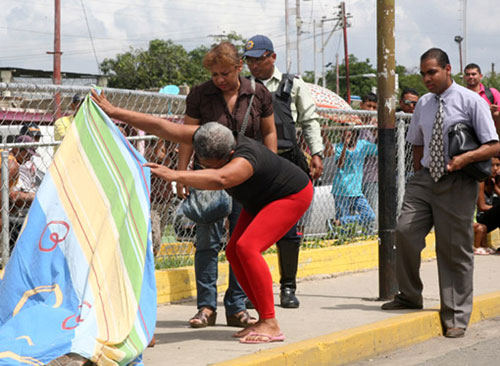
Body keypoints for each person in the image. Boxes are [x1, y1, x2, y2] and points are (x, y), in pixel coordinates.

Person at [90, 91, 314, 343]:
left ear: (227, 157)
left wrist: (176, 175)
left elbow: (220, 179)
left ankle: (271, 323)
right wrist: (115, 112)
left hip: (290, 195)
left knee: (248, 247)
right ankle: (263, 319)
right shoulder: (208, 135)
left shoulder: (242, 161)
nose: (206, 168)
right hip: (259, 196)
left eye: (209, 164)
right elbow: (162, 126)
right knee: (233, 252)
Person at [381, 48, 500, 339]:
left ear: (448, 69)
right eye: (423, 73)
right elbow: (417, 141)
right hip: (425, 180)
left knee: (453, 248)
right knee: (405, 231)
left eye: (431, 72)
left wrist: (465, 159)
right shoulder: (423, 103)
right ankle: (409, 294)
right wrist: (421, 172)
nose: (426, 78)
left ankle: (456, 314)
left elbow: (493, 145)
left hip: (458, 180)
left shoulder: (471, 101)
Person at [176, 42, 277, 328]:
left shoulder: (258, 93)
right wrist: (182, 173)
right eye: (214, 75)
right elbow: (187, 135)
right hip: (208, 177)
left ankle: (236, 306)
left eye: (224, 74)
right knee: (207, 241)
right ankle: (206, 307)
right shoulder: (200, 94)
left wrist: (268, 173)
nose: (219, 80)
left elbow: (269, 132)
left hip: (246, 178)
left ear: (239, 67)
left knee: (241, 243)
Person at [243, 34, 324, 308]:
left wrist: (316, 153)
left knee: (288, 230)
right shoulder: (244, 87)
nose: (253, 66)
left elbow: (310, 121)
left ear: (272, 57)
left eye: (258, 59)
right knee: (250, 227)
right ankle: (249, 290)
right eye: (249, 61)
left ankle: (288, 287)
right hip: (253, 164)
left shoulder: (293, 84)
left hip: (287, 163)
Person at [331, 128, 377, 234]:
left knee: (369, 216)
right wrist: (345, 147)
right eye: (344, 134)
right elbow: (340, 165)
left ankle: (339, 221)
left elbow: (377, 150)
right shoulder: (339, 147)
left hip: (356, 191)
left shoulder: (363, 145)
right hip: (341, 190)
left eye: (348, 133)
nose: (345, 136)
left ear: (355, 133)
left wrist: (376, 134)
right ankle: (342, 229)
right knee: (344, 230)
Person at [9, 135, 40, 251]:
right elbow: (12, 197)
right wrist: (35, 197)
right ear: (17, 149)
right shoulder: (11, 164)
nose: (28, 158)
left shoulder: (16, 162)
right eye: (27, 154)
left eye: (31, 155)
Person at [358, 93, 378, 229]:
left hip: (371, 176)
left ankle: (368, 233)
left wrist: (376, 130)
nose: (370, 110)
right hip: (355, 176)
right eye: (368, 106)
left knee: (369, 211)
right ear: (361, 105)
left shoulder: (376, 126)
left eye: (374, 107)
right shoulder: (353, 124)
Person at [473, 155, 500, 255]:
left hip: (490, 218)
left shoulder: (493, 181)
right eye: (492, 165)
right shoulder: (481, 181)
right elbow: (482, 206)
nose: (495, 168)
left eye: (498, 165)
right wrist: (496, 209)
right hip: (480, 218)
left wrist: (496, 186)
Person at [464, 63, 500, 134]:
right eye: (468, 74)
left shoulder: (492, 93)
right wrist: (485, 109)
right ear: (465, 77)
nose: (471, 77)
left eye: (474, 74)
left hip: (491, 137)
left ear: (480, 76)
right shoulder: (461, 95)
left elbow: (498, 114)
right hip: (469, 138)